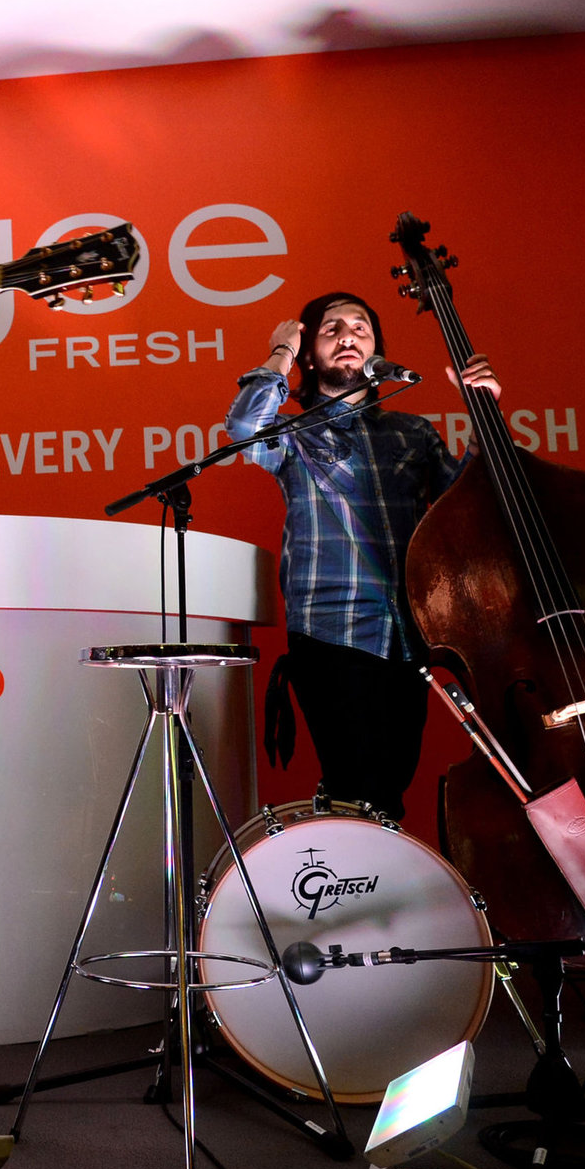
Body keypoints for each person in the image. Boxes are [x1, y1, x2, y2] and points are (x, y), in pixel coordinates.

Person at [225, 292, 498, 819]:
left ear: (376, 352)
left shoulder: (412, 434)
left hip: (408, 633)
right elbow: (243, 427)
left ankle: (377, 893)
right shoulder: (293, 433)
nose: (348, 336)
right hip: (332, 633)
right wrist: (281, 351)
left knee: (391, 791)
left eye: (361, 328)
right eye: (331, 329)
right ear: (311, 353)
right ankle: (364, 895)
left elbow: (471, 505)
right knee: (359, 792)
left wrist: (484, 410)